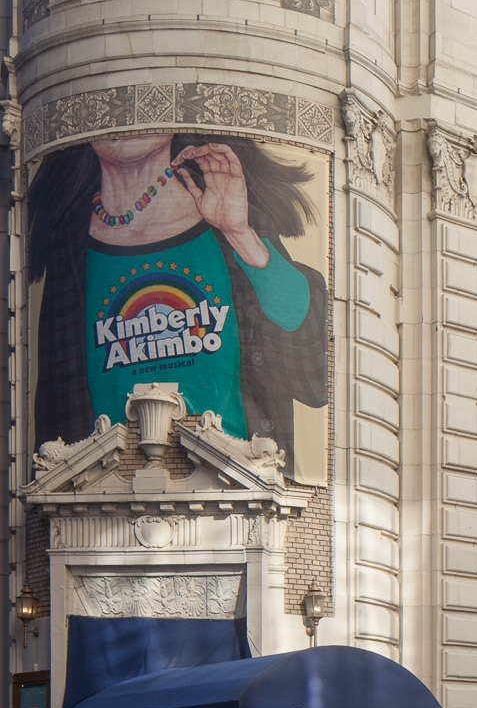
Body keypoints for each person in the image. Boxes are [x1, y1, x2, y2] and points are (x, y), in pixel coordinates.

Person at [29, 135, 330, 475]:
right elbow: (53, 431)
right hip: (104, 508)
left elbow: (316, 378)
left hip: (238, 502)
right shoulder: (67, 242)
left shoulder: (232, 216)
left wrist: (240, 233)